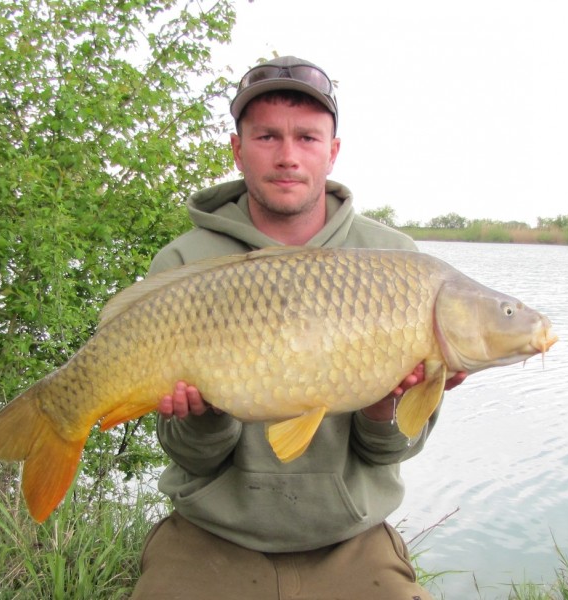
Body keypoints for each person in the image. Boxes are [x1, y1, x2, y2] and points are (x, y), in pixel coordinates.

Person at [129, 55, 465, 600]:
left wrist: (383, 406)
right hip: (210, 537)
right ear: (237, 149)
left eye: (307, 138)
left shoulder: (397, 262)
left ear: (332, 151)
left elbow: (388, 454)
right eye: (267, 136)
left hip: (350, 540)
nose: (288, 157)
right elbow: (190, 455)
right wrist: (205, 417)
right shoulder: (185, 262)